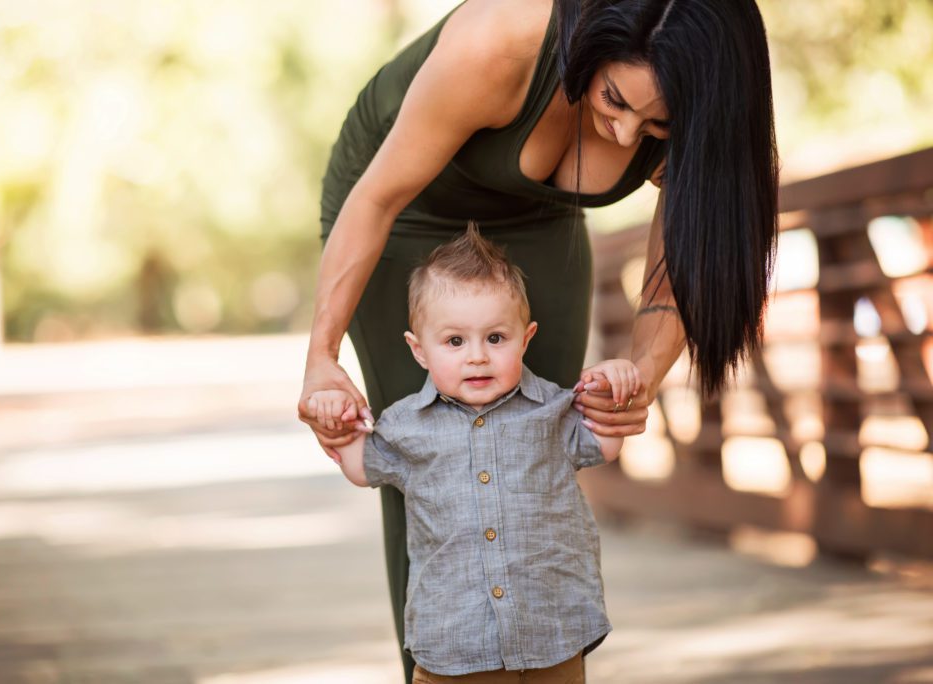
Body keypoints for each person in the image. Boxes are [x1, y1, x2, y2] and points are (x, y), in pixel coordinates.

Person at [299, 0, 778, 680]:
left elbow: (681, 270)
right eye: (614, 99)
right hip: (405, 207)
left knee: (539, 447)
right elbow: (375, 199)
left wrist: (637, 377)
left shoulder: (700, 104)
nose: (623, 133)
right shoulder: (499, 42)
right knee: (435, 461)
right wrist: (321, 358)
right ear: (594, 44)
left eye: (657, 126)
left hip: (538, 219)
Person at [307, 223, 642, 681]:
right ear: (419, 350)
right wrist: (337, 419)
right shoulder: (406, 425)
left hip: (553, 631)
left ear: (526, 338)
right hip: (455, 643)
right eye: (455, 341)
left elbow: (605, 441)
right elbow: (361, 467)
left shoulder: (553, 410)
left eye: (496, 338)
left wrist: (618, 380)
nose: (477, 356)